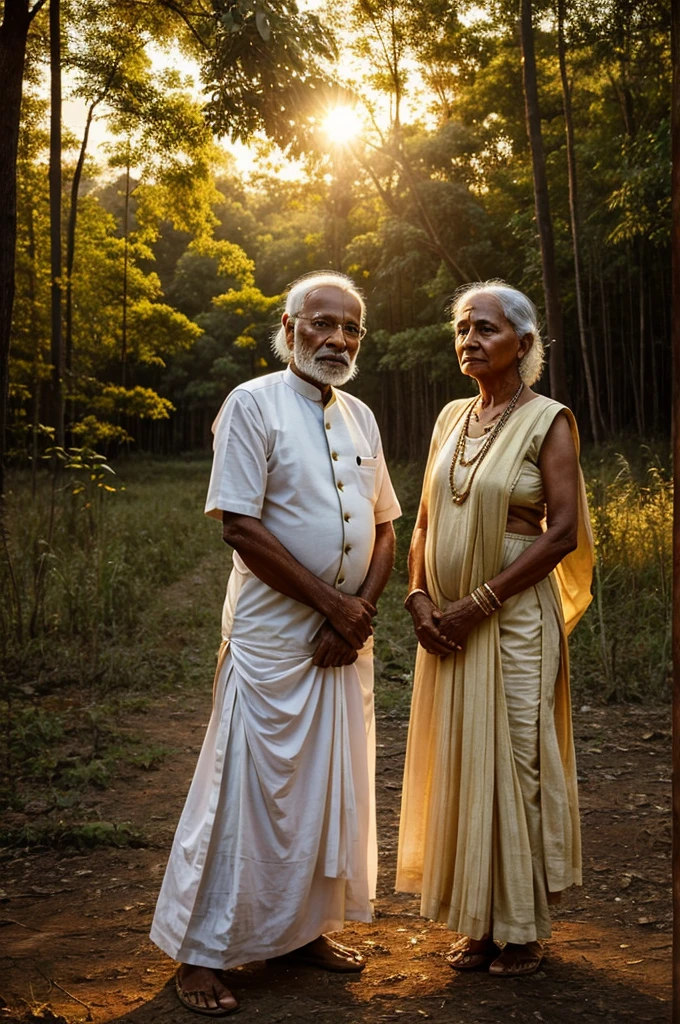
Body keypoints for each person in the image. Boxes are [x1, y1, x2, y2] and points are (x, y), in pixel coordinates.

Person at [151, 271, 401, 1015]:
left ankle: (304, 930)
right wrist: (332, 605)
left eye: (352, 328)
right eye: (323, 323)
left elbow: (385, 524)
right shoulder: (252, 404)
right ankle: (199, 951)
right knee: (245, 791)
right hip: (272, 639)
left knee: (329, 788)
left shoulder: (360, 415)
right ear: (288, 326)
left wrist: (355, 613)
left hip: (341, 637)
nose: (338, 339)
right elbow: (238, 524)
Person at [396, 280, 593, 977]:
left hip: (511, 620)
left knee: (516, 762)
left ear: (524, 343)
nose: (469, 340)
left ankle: (522, 928)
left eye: (485, 329)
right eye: (461, 329)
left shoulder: (549, 420)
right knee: (465, 762)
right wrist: (420, 596)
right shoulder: (450, 417)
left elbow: (562, 531)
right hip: (445, 622)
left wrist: (480, 600)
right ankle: (478, 923)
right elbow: (422, 519)